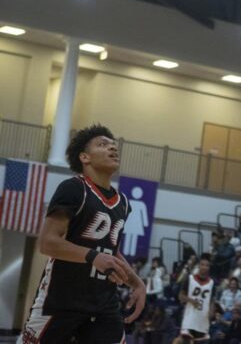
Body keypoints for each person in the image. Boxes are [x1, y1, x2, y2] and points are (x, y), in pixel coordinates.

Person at [18, 124, 146, 344]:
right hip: (61, 300)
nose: (113, 148)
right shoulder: (73, 188)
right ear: (85, 157)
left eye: (114, 145)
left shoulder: (123, 203)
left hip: (103, 303)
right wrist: (93, 256)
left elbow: (111, 250)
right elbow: (47, 243)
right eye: (103, 144)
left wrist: (137, 283)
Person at [176, 254, 215, 342]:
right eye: (202, 264)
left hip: (203, 319)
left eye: (207, 265)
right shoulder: (190, 279)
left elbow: (212, 300)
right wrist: (191, 301)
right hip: (190, 318)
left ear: (209, 268)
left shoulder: (212, 283)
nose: (204, 267)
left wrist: (211, 312)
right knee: (185, 340)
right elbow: (180, 296)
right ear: (198, 266)